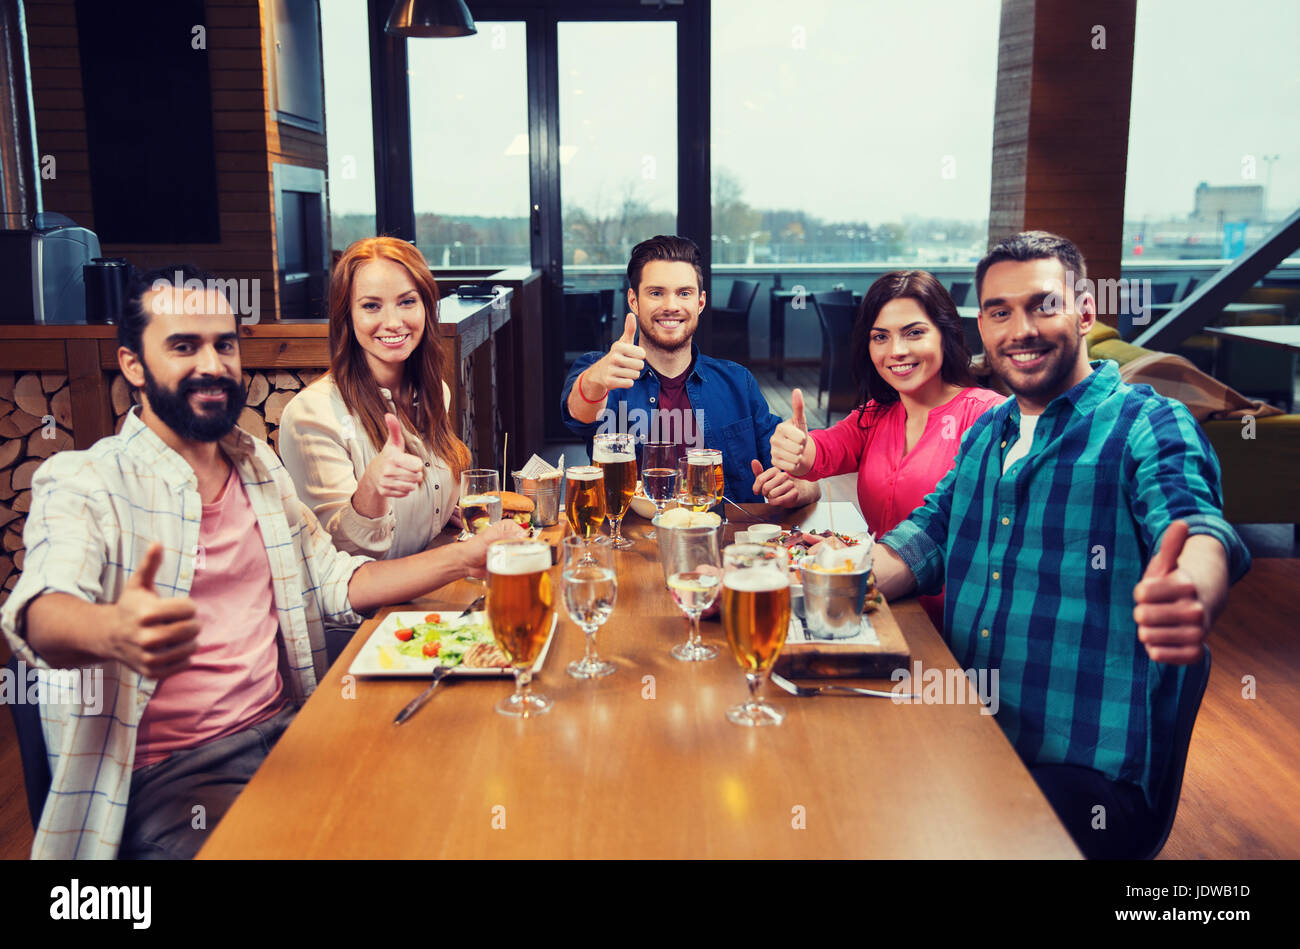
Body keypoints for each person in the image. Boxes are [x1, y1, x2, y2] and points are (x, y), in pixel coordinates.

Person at [0, 266, 521, 860]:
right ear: (132, 365)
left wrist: (465, 557)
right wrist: (114, 629)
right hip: (173, 779)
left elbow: (340, 581)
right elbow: (39, 613)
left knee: (457, 797)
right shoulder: (84, 480)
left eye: (224, 344)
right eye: (182, 346)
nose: (212, 363)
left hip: (290, 733)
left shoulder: (258, 468)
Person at [868, 232, 1250, 859]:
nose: (1021, 329)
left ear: (1085, 312)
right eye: (999, 312)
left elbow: (1195, 524)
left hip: (1086, 775)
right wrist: (788, 584)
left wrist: (1190, 588)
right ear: (983, 328)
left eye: (1043, 305)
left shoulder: (1146, 424)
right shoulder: (988, 430)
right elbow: (922, 539)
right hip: (971, 731)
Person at [768, 271, 1004, 627]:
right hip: (880, 604)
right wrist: (797, 450)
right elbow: (821, 452)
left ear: (946, 334)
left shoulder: (987, 415)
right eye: (881, 337)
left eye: (914, 332)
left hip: (956, 624)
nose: (896, 351)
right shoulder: (876, 414)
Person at [561, 234, 818, 506]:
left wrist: (799, 486)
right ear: (634, 301)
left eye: (684, 293)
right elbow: (578, 412)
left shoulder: (738, 382)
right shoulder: (604, 371)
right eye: (656, 293)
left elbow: (804, 480)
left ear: (700, 302)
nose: (671, 306)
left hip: (724, 541)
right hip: (628, 541)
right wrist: (596, 379)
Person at [280, 237, 469, 561]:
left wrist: (447, 508)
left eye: (407, 301)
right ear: (346, 317)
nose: (393, 322)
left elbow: (430, 503)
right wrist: (371, 490)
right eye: (371, 306)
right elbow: (339, 557)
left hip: (424, 599)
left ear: (426, 306)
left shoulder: (436, 390)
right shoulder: (311, 414)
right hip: (364, 612)